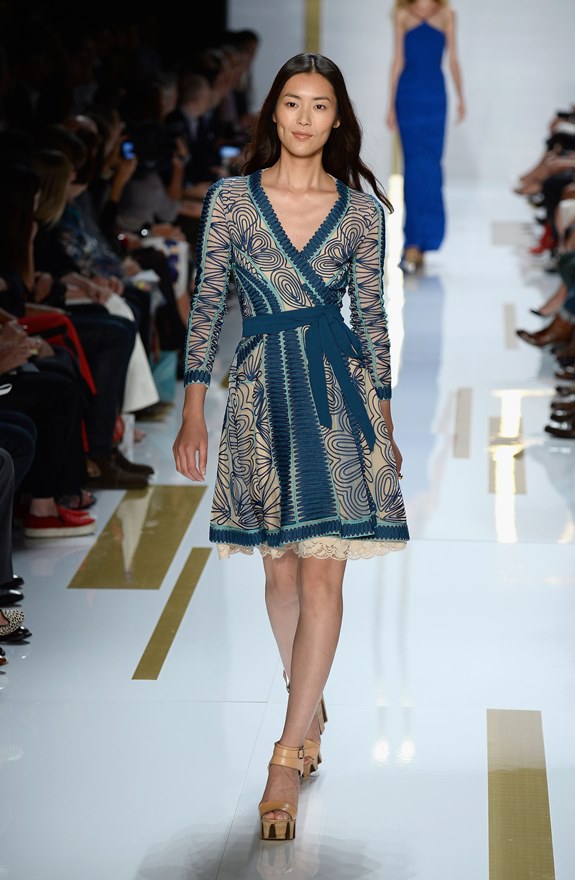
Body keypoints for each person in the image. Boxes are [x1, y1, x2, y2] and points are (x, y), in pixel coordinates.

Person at [173, 52, 409, 843]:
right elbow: (207, 302)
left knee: (321, 574)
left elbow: (371, 319)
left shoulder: (360, 213)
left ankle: (286, 756)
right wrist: (193, 408)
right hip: (258, 395)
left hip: (336, 396)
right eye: (292, 103)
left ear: (337, 119)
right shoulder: (232, 200)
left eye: (320, 105)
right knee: (277, 574)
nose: (305, 118)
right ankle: (307, 703)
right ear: (271, 112)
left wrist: (384, 420)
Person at [386, 0, 465, 273]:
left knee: (430, 168)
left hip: (434, 97)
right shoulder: (402, 14)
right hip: (408, 97)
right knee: (412, 169)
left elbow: (453, 59)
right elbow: (398, 61)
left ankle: (425, 239)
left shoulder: (446, 14)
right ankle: (412, 242)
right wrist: (391, 105)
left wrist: (461, 97)